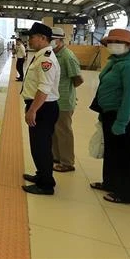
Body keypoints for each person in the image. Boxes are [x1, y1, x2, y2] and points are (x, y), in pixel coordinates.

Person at [90, 29, 130, 204]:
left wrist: (121, 123)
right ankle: (110, 183)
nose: (113, 45)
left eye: (118, 42)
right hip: (109, 113)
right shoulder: (114, 62)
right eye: (111, 42)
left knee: (124, 153)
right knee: (111, 150)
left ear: (128, 45)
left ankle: (127, 193)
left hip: (123, 115)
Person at [21, 22, 61, 195]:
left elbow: (44, 88)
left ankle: (46, 185)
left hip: (43, 108)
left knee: (42, 147)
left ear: (43, 38)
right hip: (41, 107)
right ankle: (41, 175)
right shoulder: (40, 55)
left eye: (32, 37)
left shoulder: (46, 58)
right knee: (38, 146)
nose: (29, 40)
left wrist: (32, 110)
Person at [50, 27, 84, 172]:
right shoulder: (53, 54)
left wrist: (68, 91)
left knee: (64, 132)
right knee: (55, 130)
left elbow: (78, 79)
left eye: (51, 39)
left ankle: (67, 162)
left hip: (64, 101)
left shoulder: (67, 56)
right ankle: (56, 157)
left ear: (59, 40)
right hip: (54, 99)